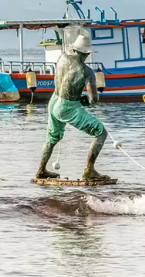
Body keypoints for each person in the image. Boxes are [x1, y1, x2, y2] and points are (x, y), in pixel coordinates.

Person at [35, 35, 110, 181]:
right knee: (101, 133)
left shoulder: (61, 58)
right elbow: (93, 99)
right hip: (68, 106)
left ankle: (41, 170)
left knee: (51, 138)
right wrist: (86, 101)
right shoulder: (86, 71)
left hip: (54, 101)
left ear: (74, 49)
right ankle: (89, 170)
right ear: (87, 53)